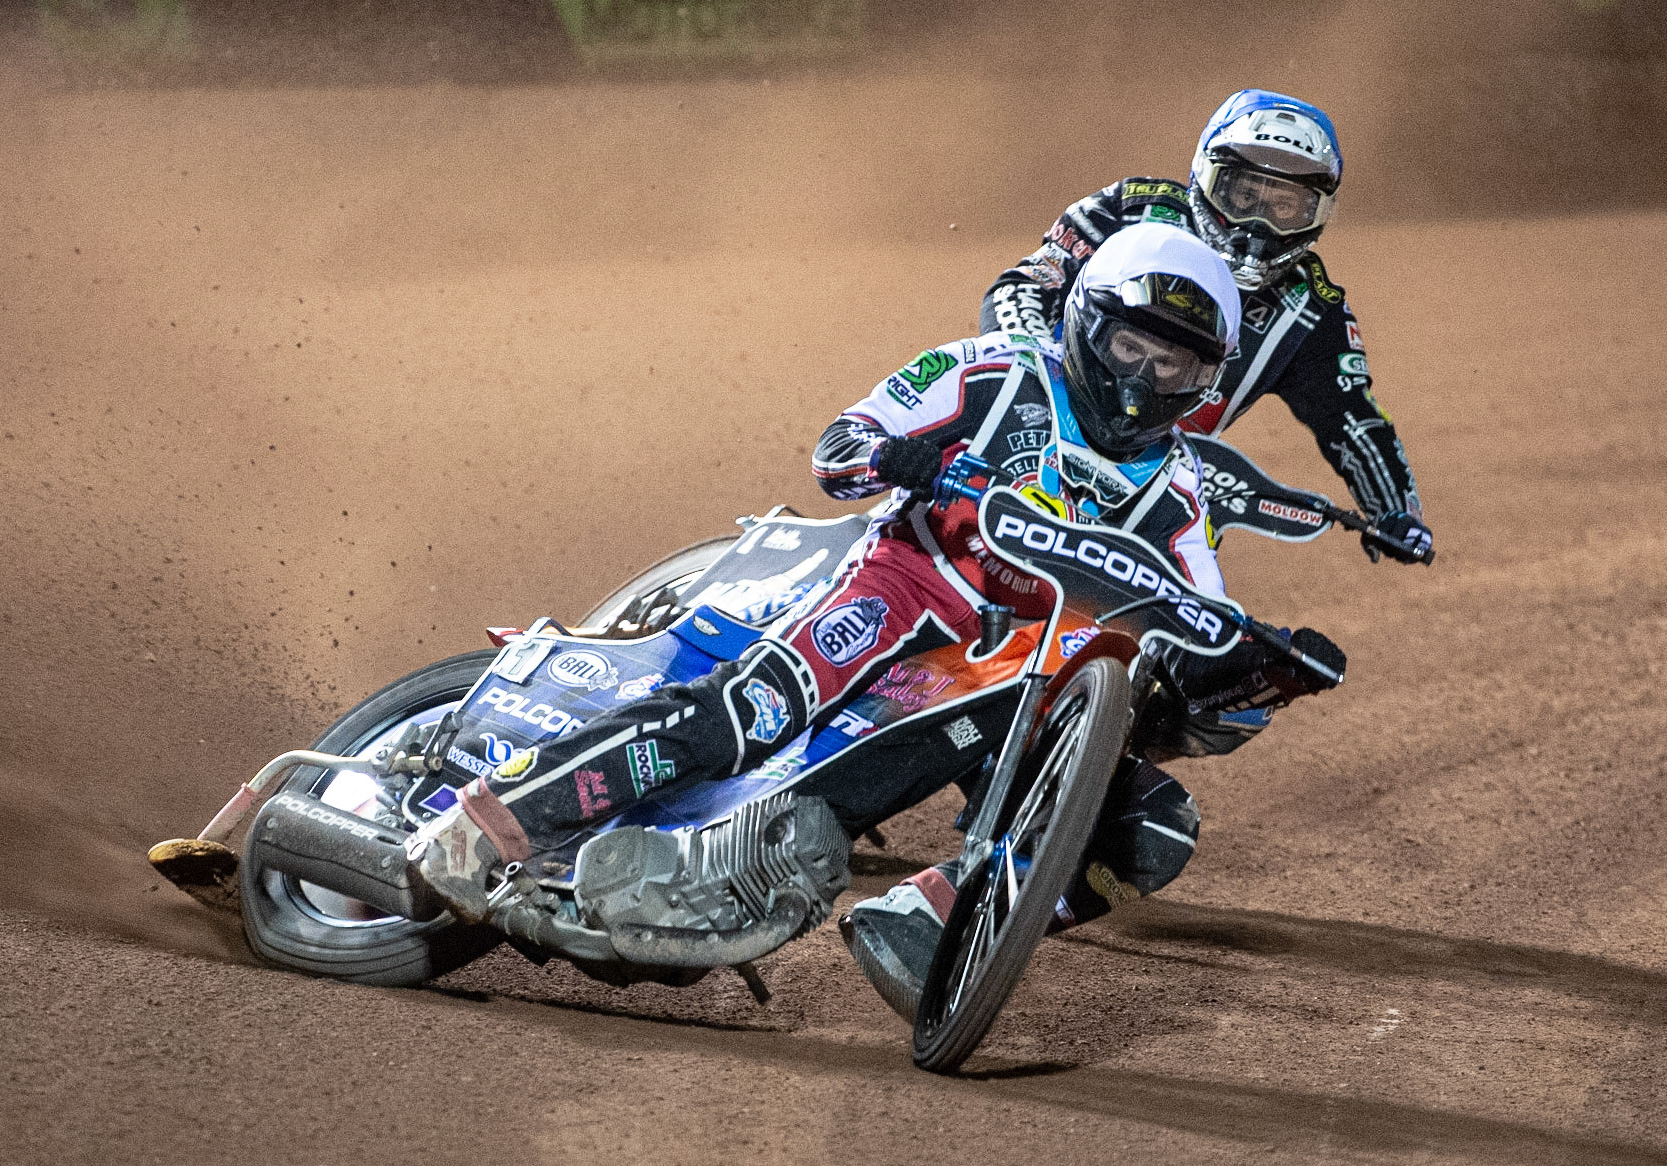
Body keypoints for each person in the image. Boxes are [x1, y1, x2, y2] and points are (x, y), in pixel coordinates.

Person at [406, 225, 1344, 1023]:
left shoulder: (1179, 486)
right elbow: (840, 448)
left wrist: (1246, 680)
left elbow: (1199, 616)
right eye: (1130, 346)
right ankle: (491, 820)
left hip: (1022, 667)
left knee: (1155, 828)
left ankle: (925, 920)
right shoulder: (990, 371)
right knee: (751, 713)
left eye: (1170, 361)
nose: (1143, 376)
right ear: (1084, 322)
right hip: (905, 586)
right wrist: (921, 466)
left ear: (1201, 378)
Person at [981, 89, 1432, 567]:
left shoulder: (1311, 310)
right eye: (1243, 196)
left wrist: (1397, 511)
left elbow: (1353, 419)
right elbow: (1024, 285)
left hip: (1148, 495)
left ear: (1317, 217)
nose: (1258, 226)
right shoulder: (1130, 209)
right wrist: (1029, 370)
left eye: (1286, 207)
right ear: (1204, 178)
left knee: (1180, 627)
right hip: (1026, 439)